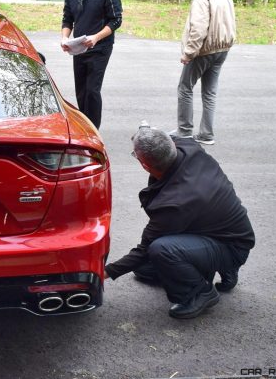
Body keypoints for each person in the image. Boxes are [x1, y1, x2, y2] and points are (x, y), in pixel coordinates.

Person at [104, 122, 255, 319]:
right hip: (223, 228)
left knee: (160, 250)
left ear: (144, 165)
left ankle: (200, 293)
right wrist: (148, 131)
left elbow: (145, 249)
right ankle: (214, 267)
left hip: (232, 245)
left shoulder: (175, 202)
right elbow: (163, 139)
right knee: (143, 270)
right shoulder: (188, 146)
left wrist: (103, 273)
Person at [172, 0, 236, 145]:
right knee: (210, 92)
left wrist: (188, 53)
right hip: (222, 50)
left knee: (185, 87)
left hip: (203, 51)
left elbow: (198, 30)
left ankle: (184, 132)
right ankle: (207, 134)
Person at [61, 0, 123, 129]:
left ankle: (93, 131)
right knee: (81, 92)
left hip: (100, 47)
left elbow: (116, 20)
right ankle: (85, 127)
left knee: (92, 91)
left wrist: (96, 37)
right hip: (79, 48)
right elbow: (67, 20)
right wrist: (65, 38)